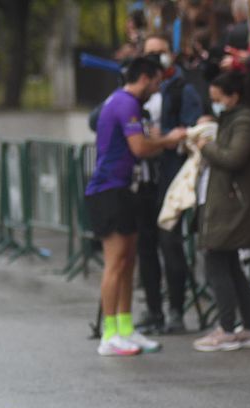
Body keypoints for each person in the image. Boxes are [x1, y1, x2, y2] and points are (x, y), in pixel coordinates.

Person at [85, 56, 187, 357]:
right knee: (115, 263)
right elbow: (139, 148)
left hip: (124, 190)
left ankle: (125, 328)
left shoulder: (123, 102)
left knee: (129, 261)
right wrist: (169, 140)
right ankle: (109, 333)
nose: (157, 88)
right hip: (109, 191)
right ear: (144, 77)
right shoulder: (125, 103)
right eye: (156, 81)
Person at [192, 71, 250, 352]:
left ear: (234, 96)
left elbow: (234, 158)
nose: (215, 104)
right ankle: (249, 327)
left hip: (233, 205)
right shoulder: (236, 119)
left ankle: (227, 328)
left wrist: (206, 147)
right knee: (231, 265)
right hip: (231, 203)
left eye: (218, 99)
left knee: (217, 261)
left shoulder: (245, 122)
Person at [136, 35, 204, 335]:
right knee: (146, 249)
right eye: (149, 54)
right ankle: (154, 310)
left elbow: (191, 131)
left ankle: (176, 309)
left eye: (160, 53)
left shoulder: (182, 90)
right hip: (141, 182)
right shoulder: (133, 93)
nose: (155, 58)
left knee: (171, 246)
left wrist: (167, 138)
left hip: (171, 181)